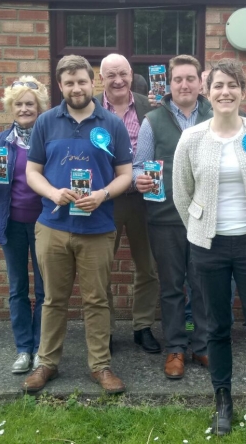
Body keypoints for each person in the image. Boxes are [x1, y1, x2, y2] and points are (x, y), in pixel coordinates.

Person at [173, 59, 246, 444]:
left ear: (243, 90)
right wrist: (199, 229)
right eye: (218, 85)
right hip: (209, 246)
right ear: (207, 91)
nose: (225, 92)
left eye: (232, 85)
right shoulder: (192, 139)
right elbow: (181, 191)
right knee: (216, 327)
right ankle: (223, 400)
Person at [22, 55, 133, 395]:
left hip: (97, 226)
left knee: (96, 299)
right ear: (60, 86)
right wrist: (53, 193)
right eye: (69, 83)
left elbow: (126, 174)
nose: (76, 88)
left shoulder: (111, 123)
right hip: (53, 227)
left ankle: (100, 366)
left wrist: (102, 195)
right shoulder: (45, 123)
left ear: (93, 82)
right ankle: (47, 363)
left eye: (82, 81)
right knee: (53, 299)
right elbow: (32, 172)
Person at [134, 54, 212, 379]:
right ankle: (176, 349)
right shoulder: (152, 120)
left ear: (199, 82)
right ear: (169, 82)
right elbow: (140, 163)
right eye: (178, 79)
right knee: (171, 287)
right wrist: (139, 178)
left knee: (204, 285)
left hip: (206, 217)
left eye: (190, 78)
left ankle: (204, 346)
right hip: (165, 217)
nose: (184, 84)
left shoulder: (216, 116)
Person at [0, 76, 49, 374]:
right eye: (18, 104)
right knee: (18, 288)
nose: (24, 109)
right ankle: (23, 349)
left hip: (45, 225)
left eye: (29, 103)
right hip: (11, 225)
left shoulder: (49, 139)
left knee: (46, 292)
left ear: (39, 106)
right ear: (11, 107)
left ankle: (41, 349)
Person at [95, 54, 161, 355]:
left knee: (147, 267)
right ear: (101, 78)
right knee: (101, 268)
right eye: (111, 75)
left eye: (123, 73)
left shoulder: (152, 106)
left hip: (144, 200)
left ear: (132, 74)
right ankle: (104, 330)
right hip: (105, 199)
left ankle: (142, 327)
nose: (118, 80)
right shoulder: (90, 108)